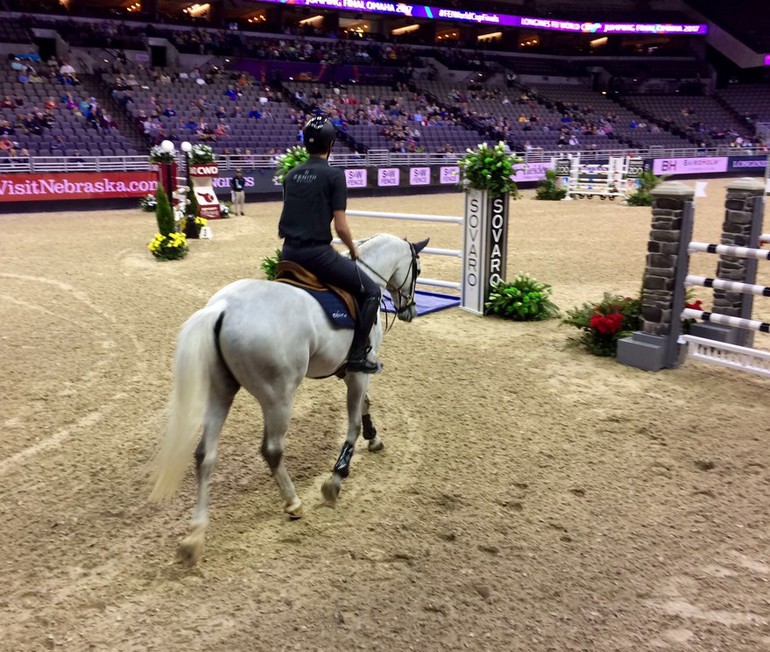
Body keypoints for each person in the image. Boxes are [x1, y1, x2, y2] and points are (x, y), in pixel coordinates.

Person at [278, 116, 382, 374]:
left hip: (289, 253)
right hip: (317, 255)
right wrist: (353, 248)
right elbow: (341, 227)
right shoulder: (334, 176)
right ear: (331, 144)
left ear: (305, 145)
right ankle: (358, 354)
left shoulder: (291, 175)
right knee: (371, 291)